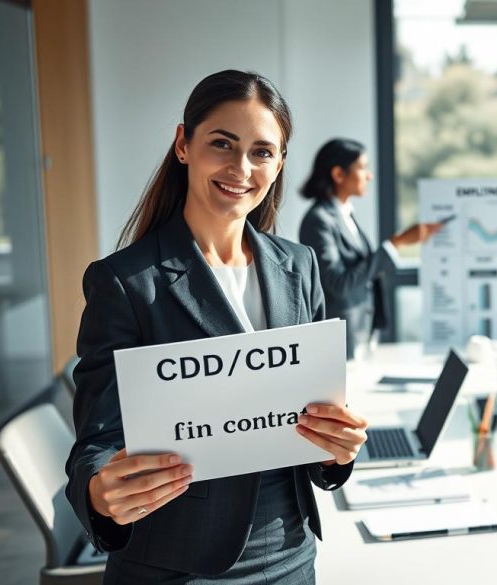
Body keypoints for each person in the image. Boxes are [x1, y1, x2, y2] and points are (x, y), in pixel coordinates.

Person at [65, 70, 368, 583]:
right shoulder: (124, 282)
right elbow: (96, 442)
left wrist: (337, 450)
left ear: (280, 163)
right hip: (175, 566)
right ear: (183, 144)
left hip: (290, 556)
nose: (241, 168)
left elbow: (314, 422)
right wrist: (100, 493)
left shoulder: (300, 266)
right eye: (222, 144)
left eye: (262, 151)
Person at [299, 138, 442, 358]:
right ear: (338, 175)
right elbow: (338, 284)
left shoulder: (345, 214)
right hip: (339, 341)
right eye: (363, 167)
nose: (369, 175)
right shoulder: (318, 220)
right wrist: (396, 243)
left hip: (361, 330)